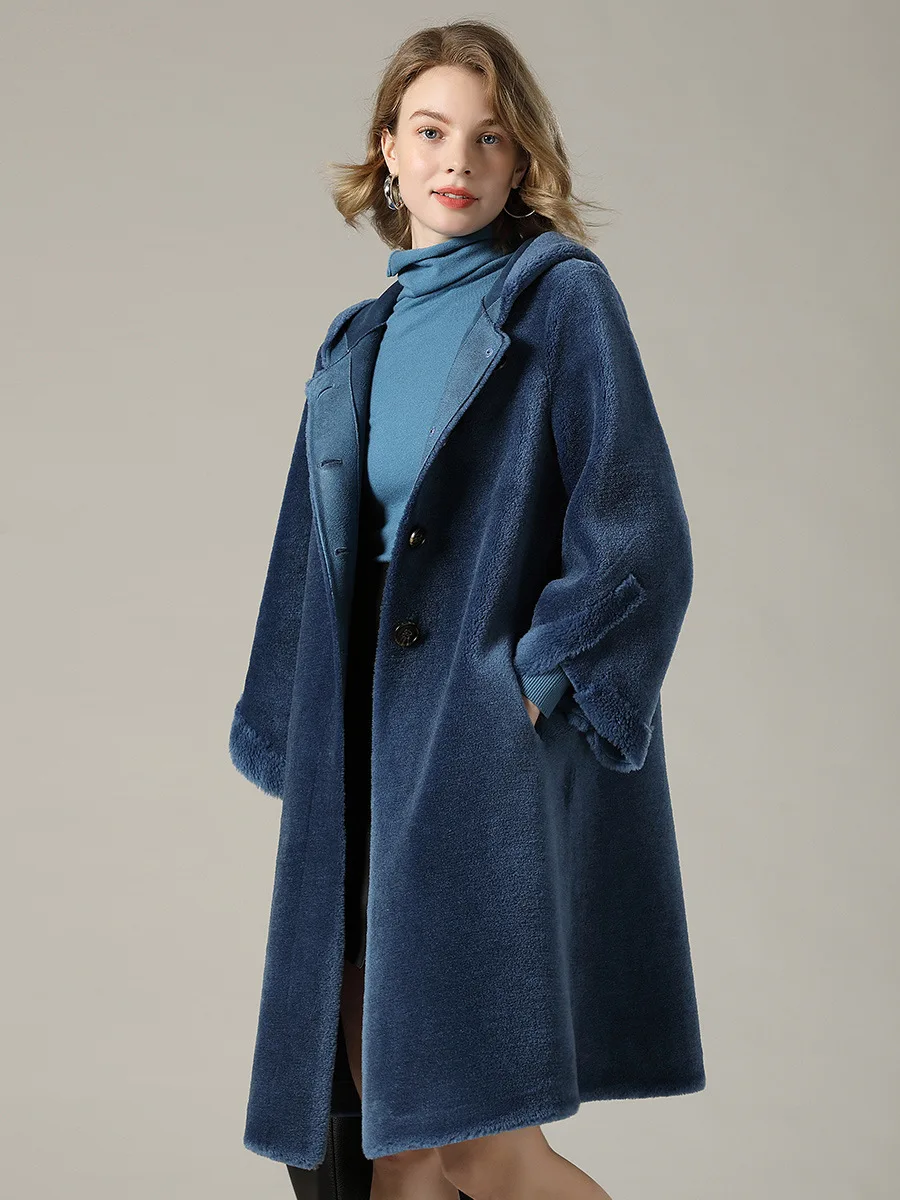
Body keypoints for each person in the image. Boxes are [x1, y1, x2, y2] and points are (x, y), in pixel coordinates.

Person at [230, 19, 704, 1200]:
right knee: (384, 1145)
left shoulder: (559, 303)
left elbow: (638, 530)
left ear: (521, 157)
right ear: (387, 150)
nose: (458, 160)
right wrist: (292, 735)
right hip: (359, 752)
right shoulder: (355, 343)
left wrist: (528, 691)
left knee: (489, 1148)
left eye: (489, 137)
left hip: (472, 747)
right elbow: (306, 562)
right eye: (432, 131)